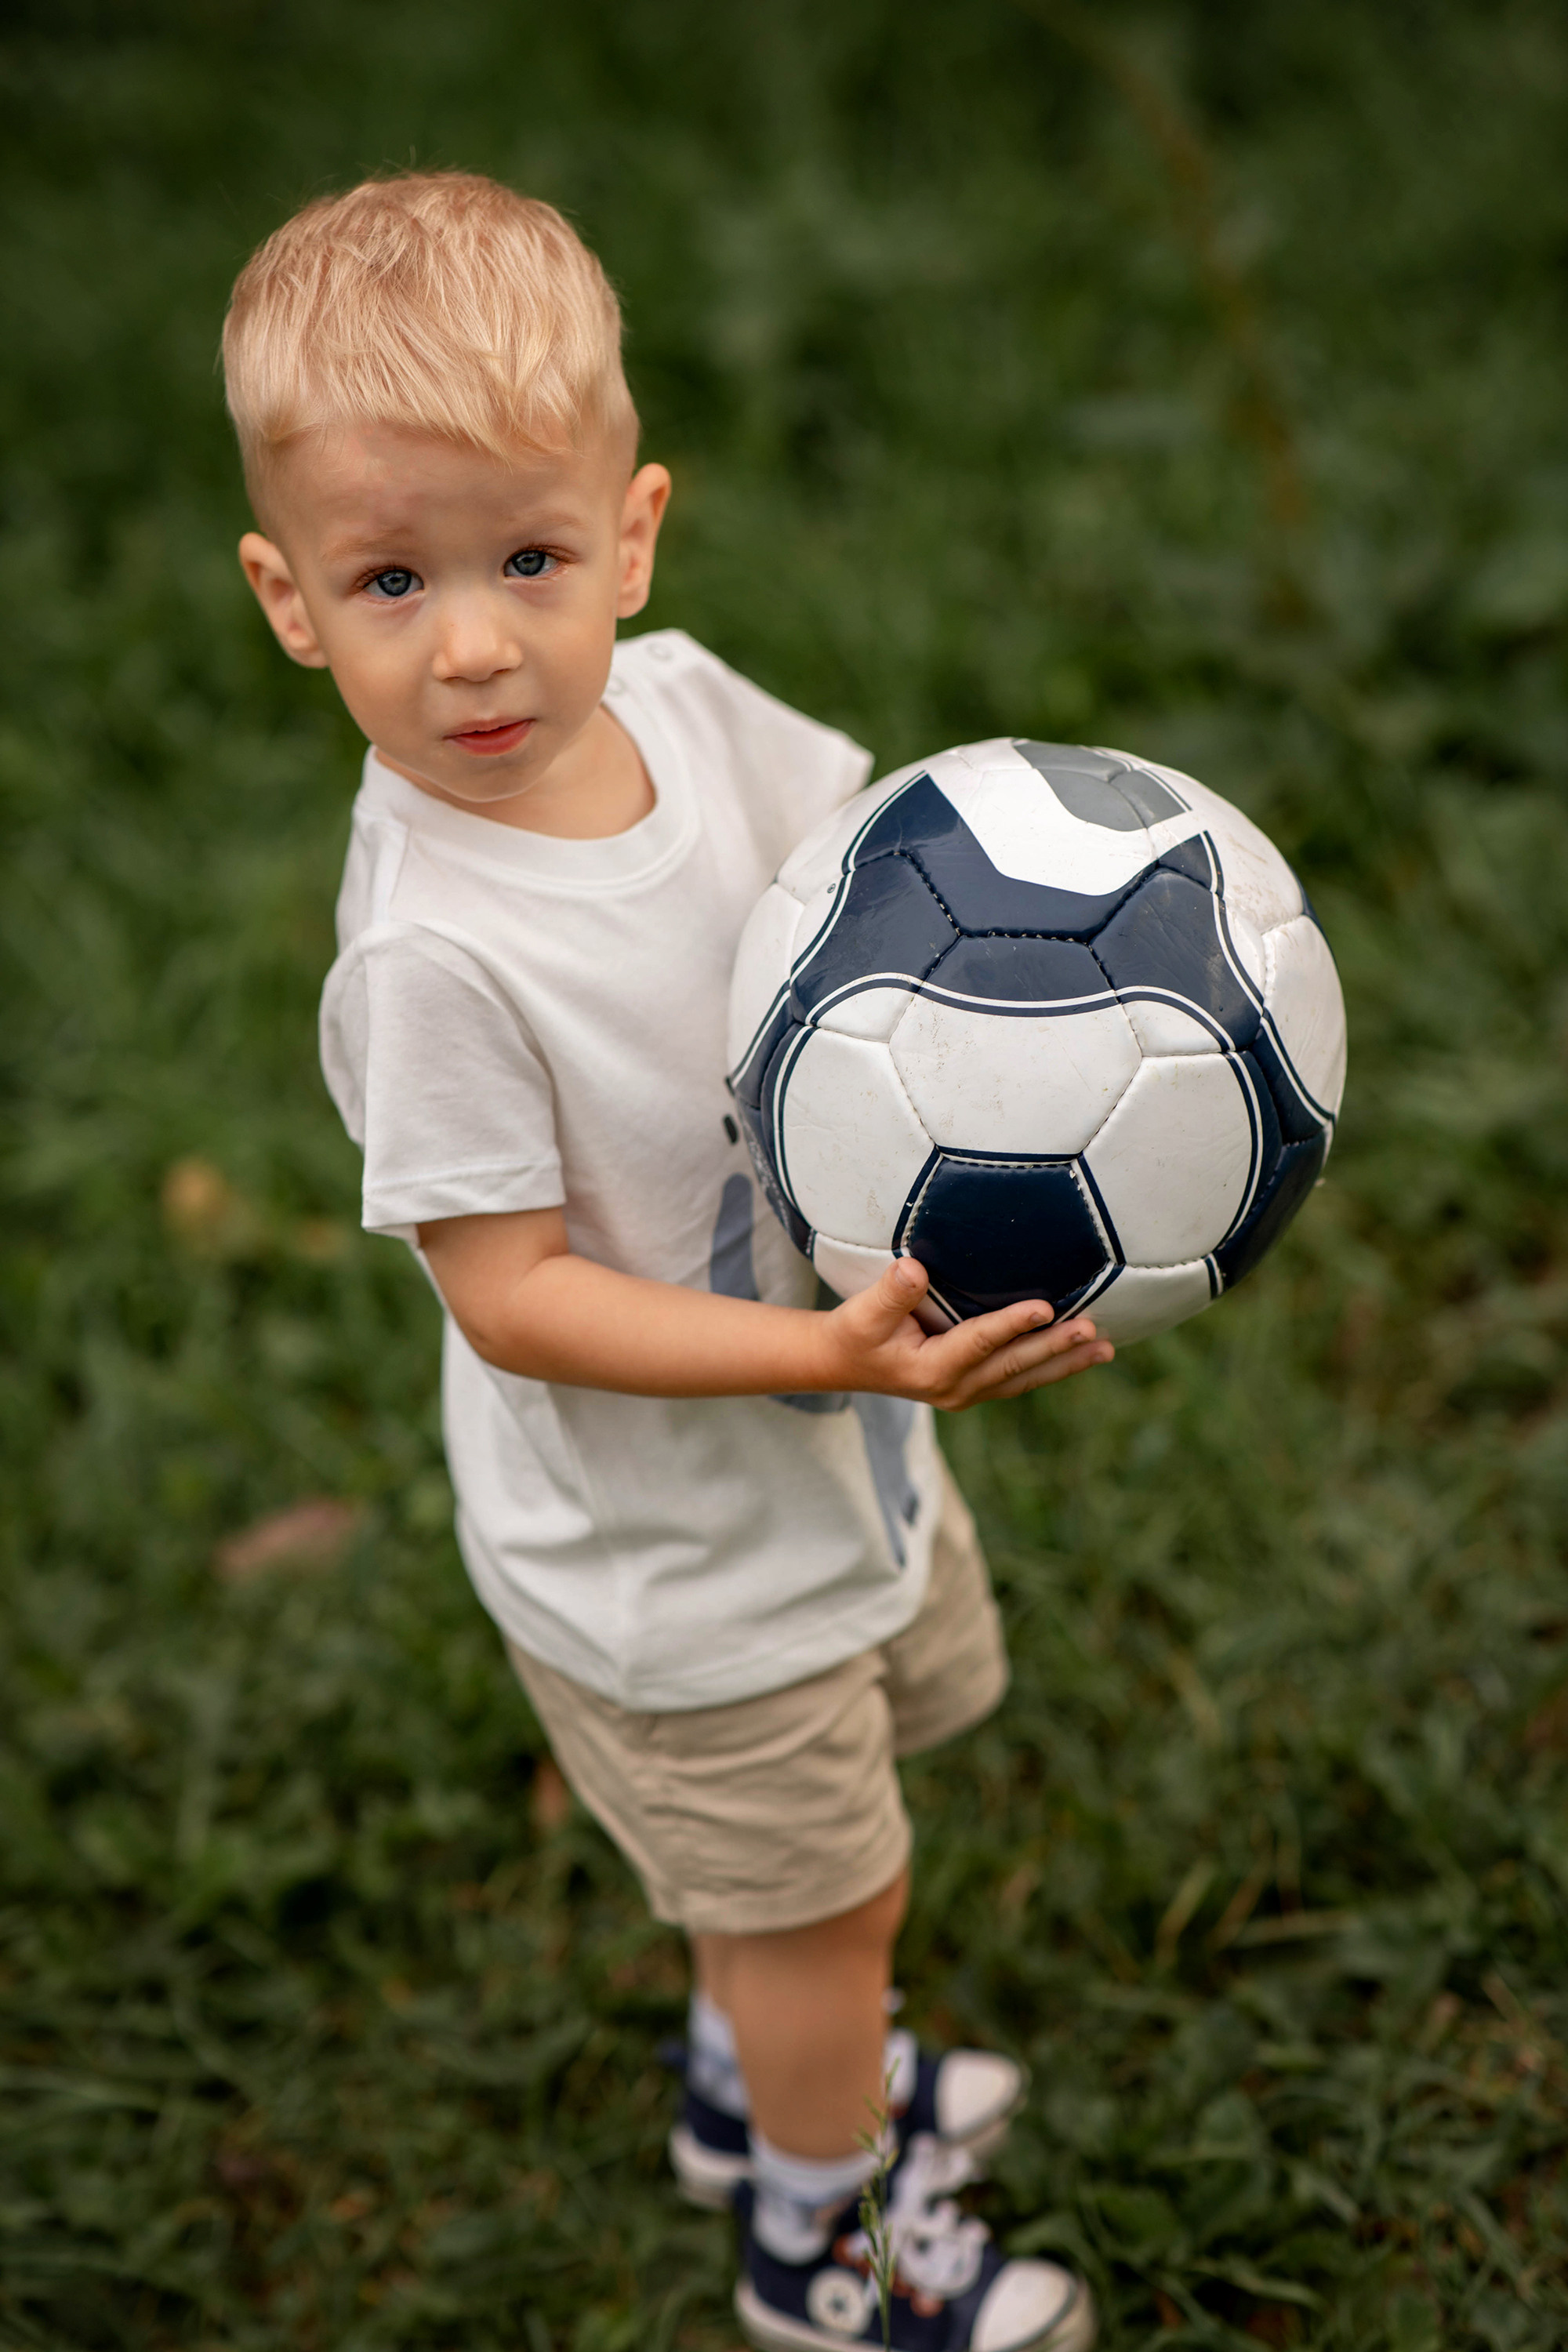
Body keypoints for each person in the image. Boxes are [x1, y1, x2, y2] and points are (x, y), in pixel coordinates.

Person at [223, 170, 1110, 2352]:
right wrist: (823, 1344)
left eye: (527, 560)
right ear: (285, 600)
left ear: (632, 534)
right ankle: (826, 2245)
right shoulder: (437, 955)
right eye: (388, 580)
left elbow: (875, 878)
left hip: (826, 1459)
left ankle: (755, 2087)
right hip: (671, 1567)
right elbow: (511, 1295)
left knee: (809, 1885)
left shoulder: (697, 714)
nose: (469, 642)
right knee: (835, 1898)